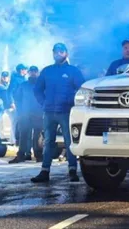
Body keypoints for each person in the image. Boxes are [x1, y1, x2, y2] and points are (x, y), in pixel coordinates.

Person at [31, 43, 85, 183]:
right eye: (55, 51)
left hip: (66, 112)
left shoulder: (73, 71)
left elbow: (81, 89)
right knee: (48, 141)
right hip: (49, 112)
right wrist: (43, 103)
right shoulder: (47, 71)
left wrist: (72, 103)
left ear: (66, 53)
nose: (58, 53)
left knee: (69, 141)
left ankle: (72, 170)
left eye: (61, 51)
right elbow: (37, 89)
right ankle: (44, 171)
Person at [9, 66, 43, 163]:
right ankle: (20, 156)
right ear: (28, 73)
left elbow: (45, 98)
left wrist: (43, 110)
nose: (33, 73)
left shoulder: (41, 85)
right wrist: (20, 111)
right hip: (25, 115)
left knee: (37, 136)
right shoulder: (23, 85)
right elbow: (17, 98)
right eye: (31, 71)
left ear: (37, 73)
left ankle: (39, 156)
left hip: (38, 114)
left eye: (35, 71)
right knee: (23, 135)